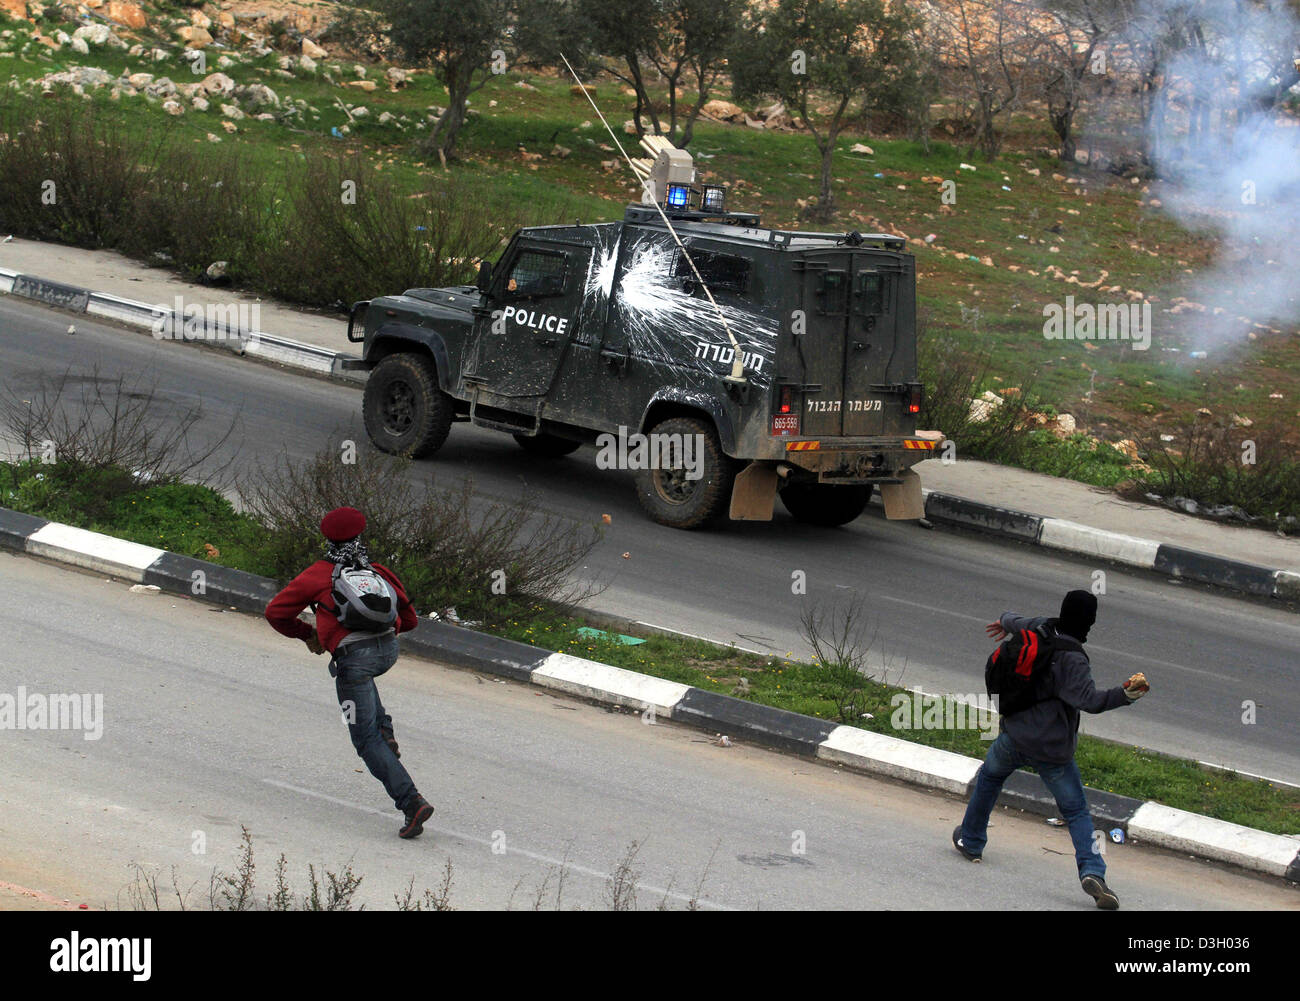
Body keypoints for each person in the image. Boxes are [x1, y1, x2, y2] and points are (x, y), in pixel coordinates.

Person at [952, 590, 1149, 909]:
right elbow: (1091, 701)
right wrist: (1126, 694)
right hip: (1053, 751)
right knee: (1075, 811)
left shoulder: (1042, 627)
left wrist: (1003, 621)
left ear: (1062, 610)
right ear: (1090, 622)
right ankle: (1093, 872)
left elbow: (1017, 622)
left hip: (1014, 736)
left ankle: (971, 841)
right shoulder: (1074, 659)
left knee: (989, 779)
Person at [264, 506, 435, 839]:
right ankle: (385, 730)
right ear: (361, 536)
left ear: (327, 539)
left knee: (364, 738)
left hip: (354, 661)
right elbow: (411, 620)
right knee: (367, 691)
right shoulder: (378, 572)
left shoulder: (317, 574)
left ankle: (411, 802)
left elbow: (275, 613)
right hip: (388, 652)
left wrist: (307, 634)